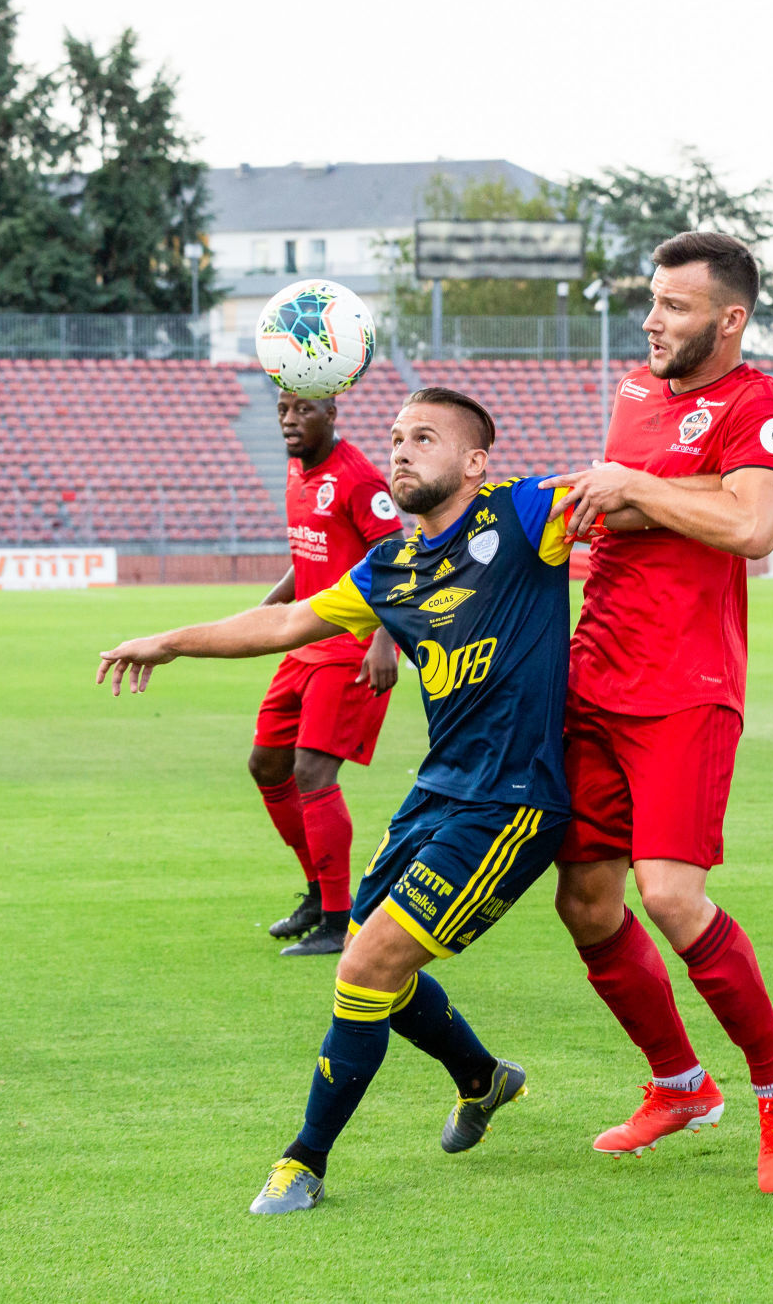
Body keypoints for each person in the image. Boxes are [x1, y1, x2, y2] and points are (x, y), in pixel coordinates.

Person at [98, 387, 604, 1213]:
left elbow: (634, 483)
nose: (401, 450)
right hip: (438, 791)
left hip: (512, 802)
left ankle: (304, 1162)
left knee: (365, 964)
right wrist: (170, 641)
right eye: (397, 436)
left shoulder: (526, 514)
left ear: (476, 463)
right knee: (376, 957)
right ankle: (481, 1079)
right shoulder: (390, 567)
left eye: (426, 438)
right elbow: (288, 622)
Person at [544, 231, 773, 1195]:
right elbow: (619, 513)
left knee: (670, 896)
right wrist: (699, 487)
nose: (652, 320)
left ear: (729, 320)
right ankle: (680, 1084)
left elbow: (748, 526)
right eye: (652, 300)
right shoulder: (637, 390)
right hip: (593, 674)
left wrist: (731, 485)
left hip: (684, 687)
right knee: (587, 900)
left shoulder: (755, 402)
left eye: (676, 307)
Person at [250, 391, 402, 957]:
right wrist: (267, 612)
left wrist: (387, 640)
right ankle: (318, 892)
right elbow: (312, 553)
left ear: (331, 414)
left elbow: (396, 558)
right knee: (267, 764)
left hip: (350, 645)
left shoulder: (359, 480)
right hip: (305, 642)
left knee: (313, 771)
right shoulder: (298, 469)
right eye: (284, 409)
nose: (290, 420)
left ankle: (340, 920)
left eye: (304, 410)